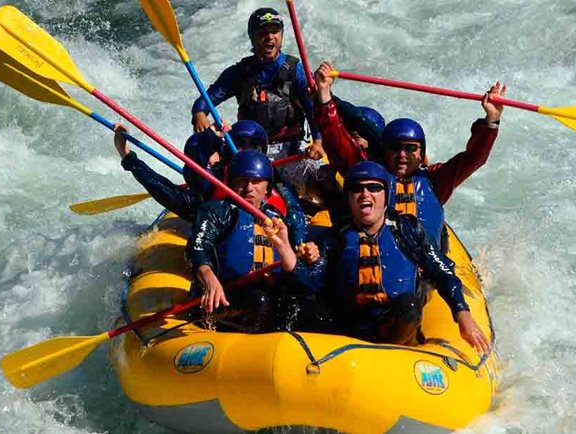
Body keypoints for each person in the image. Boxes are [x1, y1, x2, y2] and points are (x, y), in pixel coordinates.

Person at [314, 61, 506, 247]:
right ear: (384, 150)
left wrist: (492, 120)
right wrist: (324, 95)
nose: (402, 155)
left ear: (421, 153)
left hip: (427, 271)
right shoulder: (369, 176)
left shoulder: (436, 180)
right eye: (395, 148)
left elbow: (474, 158)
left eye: (410, 148)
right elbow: (337, 142)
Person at [329, 161, 490, 353]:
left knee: (409, 305)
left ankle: (396, 353)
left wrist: (462, 313)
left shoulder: (406, 231)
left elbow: (442, 271)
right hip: (354, 326)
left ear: (386, 195)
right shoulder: (337, 237)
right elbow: (317, 283)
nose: (365, 194)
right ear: (348, 198)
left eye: (374, 188)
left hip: (395, 326)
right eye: (357, 189)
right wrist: (296, 261)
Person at [190, 7, 326, 198]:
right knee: (198, 149)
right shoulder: (239, 73)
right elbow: (206, 100)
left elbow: (314, 110)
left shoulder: (296, 70)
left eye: (275, 32)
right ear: (253, 38)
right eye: (263, 33)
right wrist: (199, 113)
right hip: (249, 152)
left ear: (282, 35)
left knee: (322, 184)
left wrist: (318, 141)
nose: (270, 37)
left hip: (290, 150)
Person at [187, 150, 318, 331]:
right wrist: (208, 277)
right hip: (223, 297)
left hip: (264, 295)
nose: (249, 188)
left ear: (267, 188)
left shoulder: (276, 218)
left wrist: (305, 251)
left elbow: (294, 272)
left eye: (256, 182)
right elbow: (199, 247)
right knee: (260, 301)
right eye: (242, 181)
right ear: (231, 183)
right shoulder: (217, 211)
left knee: (301, 298)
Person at [113, 120, 273, 222]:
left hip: (256, 225)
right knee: (165, 190)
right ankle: (127, 156)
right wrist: (210, 137)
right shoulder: (216, 173)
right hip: (210, 214)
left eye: (251, 146)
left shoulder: (271, 176)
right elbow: (192, 170)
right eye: (240, 144)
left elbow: (292, 209)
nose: (244, 151)